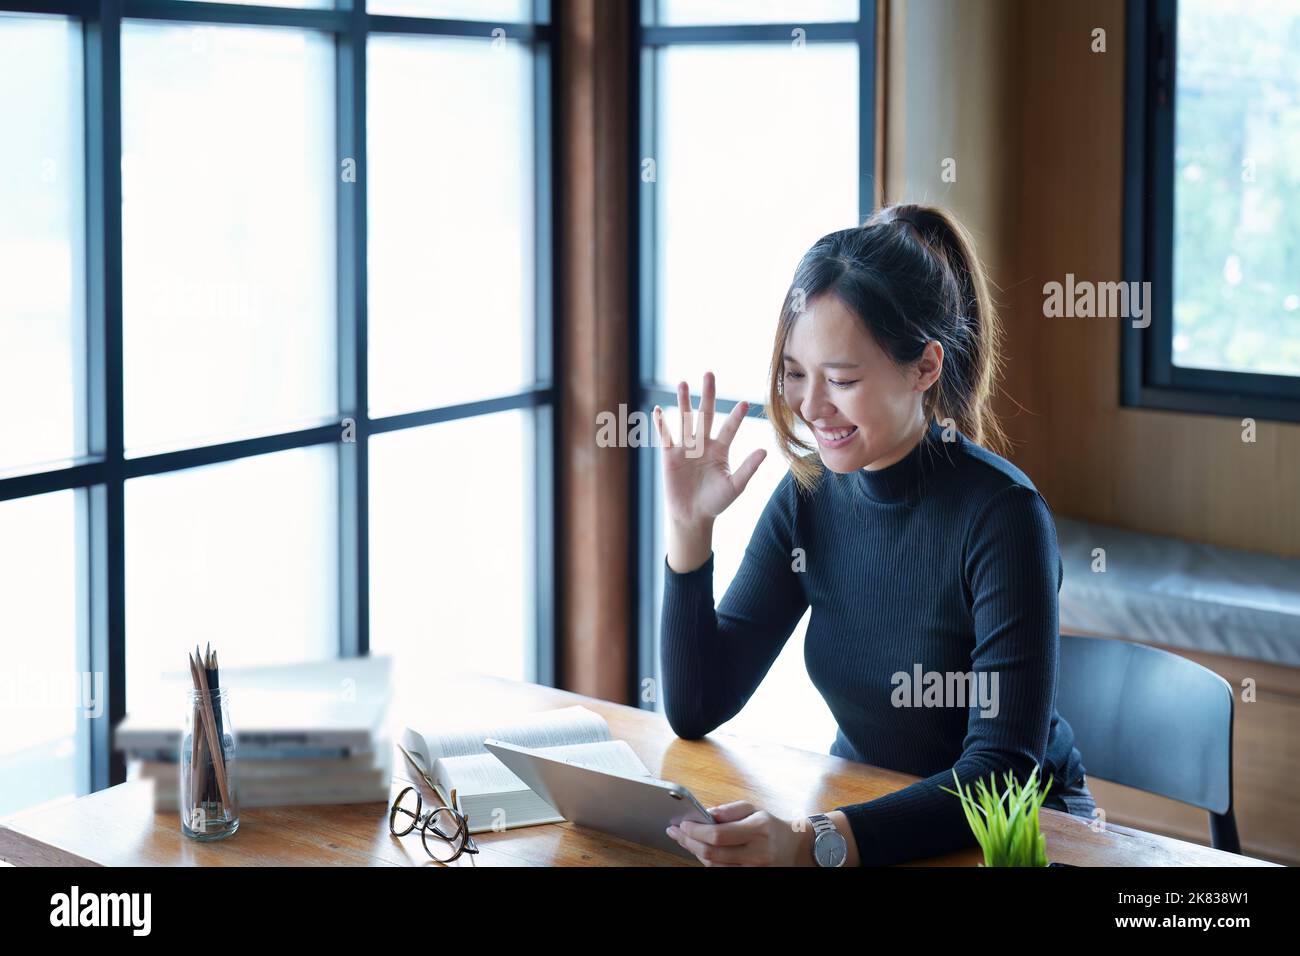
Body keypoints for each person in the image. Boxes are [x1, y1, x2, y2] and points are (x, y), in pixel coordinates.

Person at [655, 203, 1094, 867]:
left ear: (924, 367)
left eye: (842, 380)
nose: (810, 407)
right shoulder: (808, 499)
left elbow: (1000, 773)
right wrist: (691, 531)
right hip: (865, 810)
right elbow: (696, 706)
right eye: (796, 374)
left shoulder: (1003, 515)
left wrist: (814, 842)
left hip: (1016, 834)